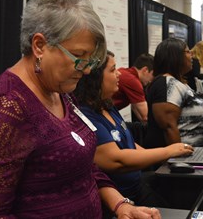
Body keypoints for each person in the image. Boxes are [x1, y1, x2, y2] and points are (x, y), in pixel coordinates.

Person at [0, 0, 160, 218]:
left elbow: (82, 166)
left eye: (90, 60)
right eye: (78, 57)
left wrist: (120, 205)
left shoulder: (61, 93)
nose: (86, 71)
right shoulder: (6, 107)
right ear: (40, 46)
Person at [74, 50, 194, 207]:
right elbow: (117, 160)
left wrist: (160, 157)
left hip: (137, 186)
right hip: (119, 198)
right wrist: (169, 151)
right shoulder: (85, 116)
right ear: (94, 78)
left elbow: (129, 144)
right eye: (112, 70)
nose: (119, 74)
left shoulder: (107, 105)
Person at [144, 38, 203, 149]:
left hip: (194, 153)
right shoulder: (164, 84)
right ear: (175, 56)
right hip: (178, 160)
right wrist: (179, 159)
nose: (191, 55)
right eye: (188, 52)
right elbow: (169, 127)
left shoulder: (178, 82)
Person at [113, 53, 154, 122]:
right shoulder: (133, 81)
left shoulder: (124, 71)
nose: (151, 80)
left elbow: (135, 107)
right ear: (145, 70)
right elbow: (146, 116)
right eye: (153, 74)